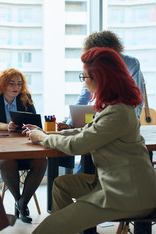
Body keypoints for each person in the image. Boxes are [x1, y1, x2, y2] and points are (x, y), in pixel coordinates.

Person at [23, 47, 156, 234]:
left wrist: (43, 138)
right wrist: (47, 135)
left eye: (85, 77)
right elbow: (85, 131)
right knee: (61, 184)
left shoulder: (117, 112)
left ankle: (60, 226)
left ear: (101, 79)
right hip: (116, 183)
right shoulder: (114, 106)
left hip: (128, 195)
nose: (84, 82)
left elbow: (77, 145)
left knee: (48, 227)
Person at [58, 30, 145, 174]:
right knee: (86, 151)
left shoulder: (131, 63)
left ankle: (86, 181)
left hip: (120, 121)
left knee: (90, 151)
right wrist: (70, 122)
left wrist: (129, 123)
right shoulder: (92, 67)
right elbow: (84, 97)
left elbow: (138, 99)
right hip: (102, 116)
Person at [0, 68, 47, 224]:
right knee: (7, 162)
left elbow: (34, 121)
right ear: (3, 85)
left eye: (19, 84)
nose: (16, 87)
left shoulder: (26, 99)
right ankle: (21, 202)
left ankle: (22, 202)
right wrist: (6, 126)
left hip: (23, 145)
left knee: (42, 161)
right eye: (11, 83)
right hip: (0, 148)